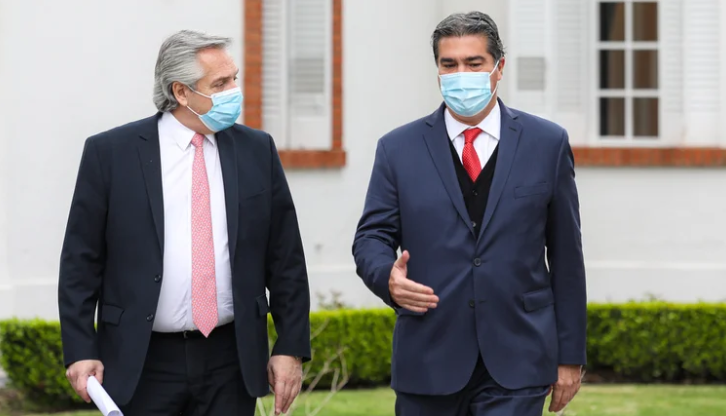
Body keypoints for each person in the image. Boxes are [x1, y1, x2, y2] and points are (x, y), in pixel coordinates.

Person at [58, 29, 311, 416]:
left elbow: (285, 257)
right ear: (181, 92)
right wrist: (80, 349)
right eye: (220, 84)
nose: (234, 92)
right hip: (142, 360)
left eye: (234, 79)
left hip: (231, 359)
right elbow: (81, 260)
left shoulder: (257, 150)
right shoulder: (110, 154)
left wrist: (290, 347)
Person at [352, 11, 587, 416]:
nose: (461, 74)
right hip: (429, 356)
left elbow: (567, 256)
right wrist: (386, 276)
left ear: (499, 68)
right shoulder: (398, 148)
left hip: (519, 358)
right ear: (438, 70)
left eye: (474, 63)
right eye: (450, 64)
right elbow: (371, 236)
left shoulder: (547, 143)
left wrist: (570, 355)